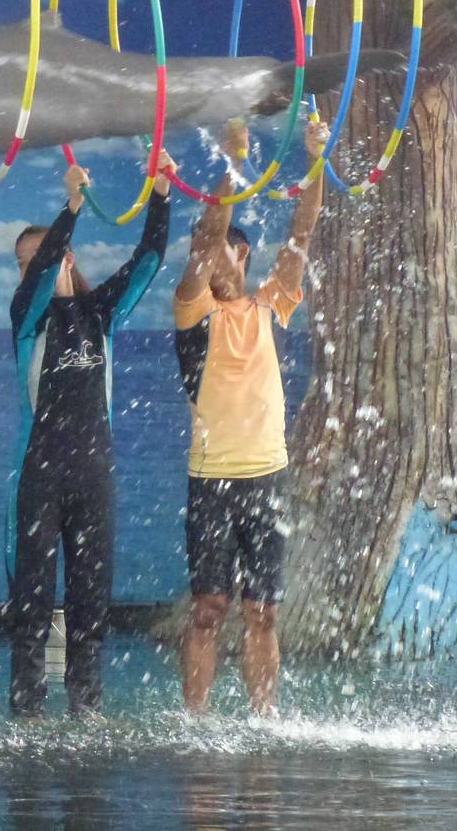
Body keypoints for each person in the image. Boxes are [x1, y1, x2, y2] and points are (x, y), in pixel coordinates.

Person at [7, 156, 173, 718]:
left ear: (67, 257)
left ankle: (87, 708)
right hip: (41, 473)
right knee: (31, 598)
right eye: (24, 265)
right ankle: (27, 713)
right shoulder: (26, 320)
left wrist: (162, 193)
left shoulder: (101, 314)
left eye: (43, 259)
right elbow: (39, 276)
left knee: (89, 599)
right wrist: (71, 206)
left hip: (94, 474)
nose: (34, 272)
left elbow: (148, 261)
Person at [174, 118, 329, 716]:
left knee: (263, 611)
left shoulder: (269, 304)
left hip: (266, 476)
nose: (208, 259)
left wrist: (316, 158)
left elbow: (303, 231)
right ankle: (196, 722)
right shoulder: (191, 310)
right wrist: (232, 166)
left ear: (241, 256)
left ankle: (265, 719)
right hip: (211, 480)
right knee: (209, 608)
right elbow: (207, 234)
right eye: (203, 251)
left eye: (220, 251)